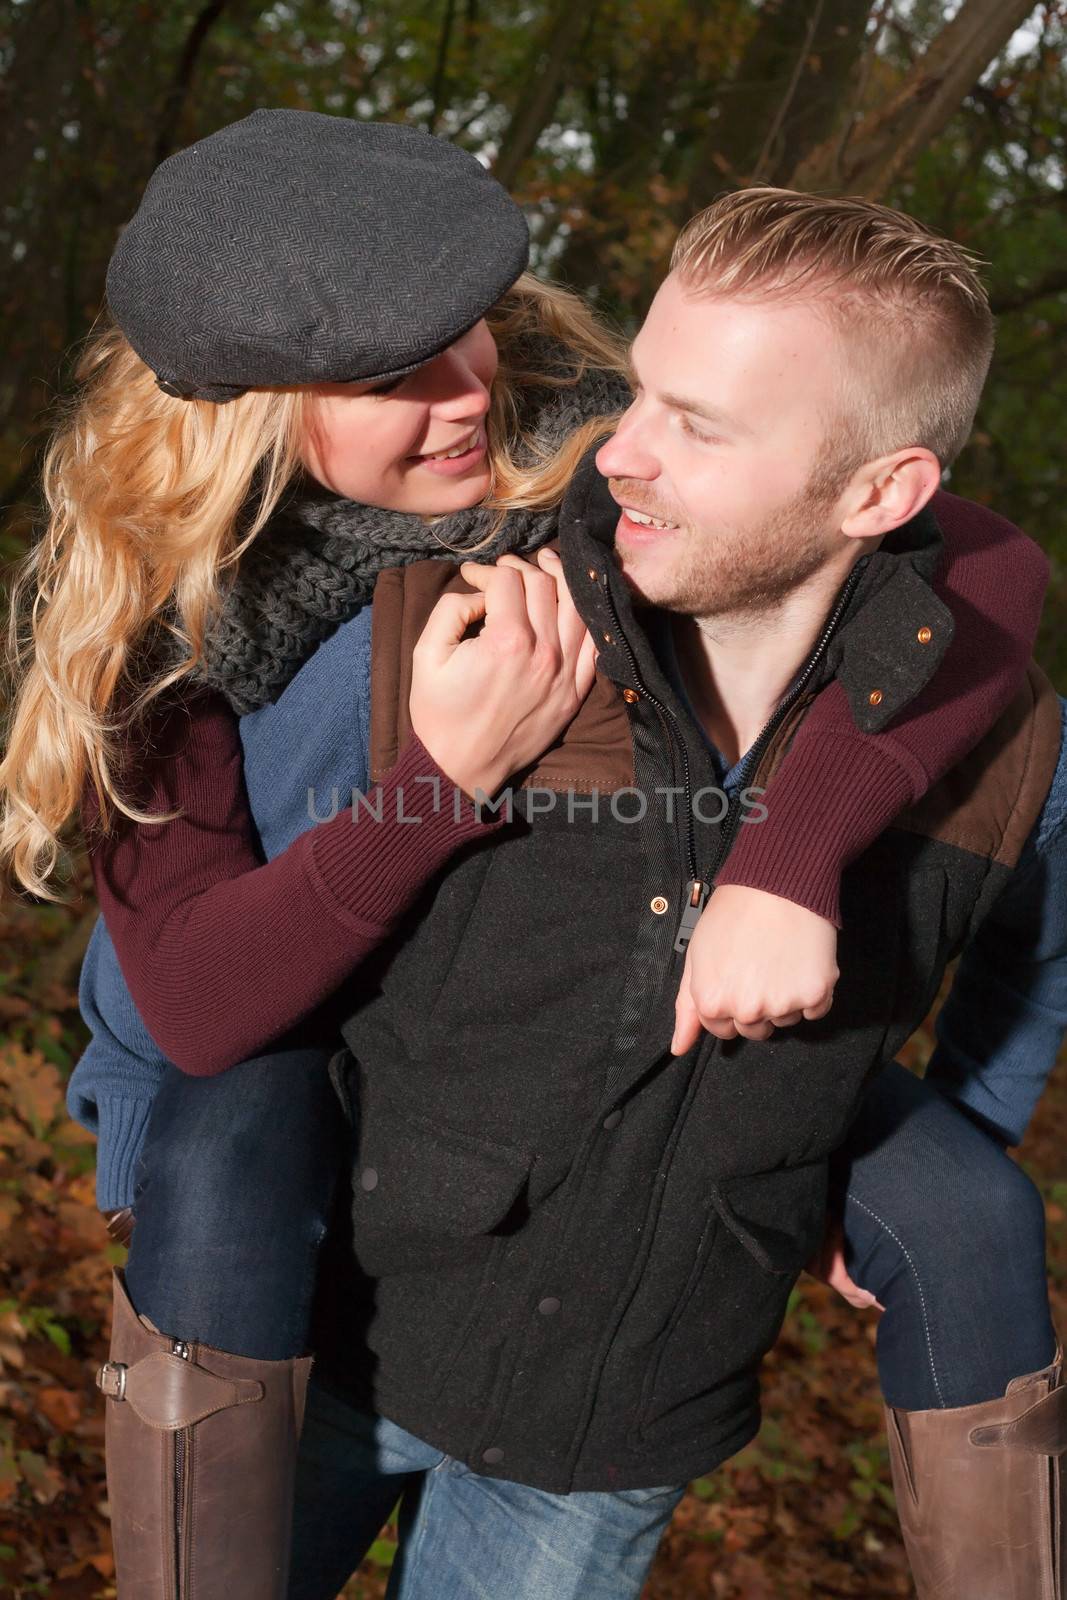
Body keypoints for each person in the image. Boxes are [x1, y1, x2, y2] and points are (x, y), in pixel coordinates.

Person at [0, 116, 1057, 1597]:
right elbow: (202, 1007)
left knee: (965, 1210)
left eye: (468, 336)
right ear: (247, 417)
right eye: (389, 380)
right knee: (229, 1148)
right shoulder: (168, 632)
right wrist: (446, 778)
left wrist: (786, 857)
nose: (463, 397)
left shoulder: (595, 440)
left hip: (566, 1072)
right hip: (287, 1081)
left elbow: (983, 569)